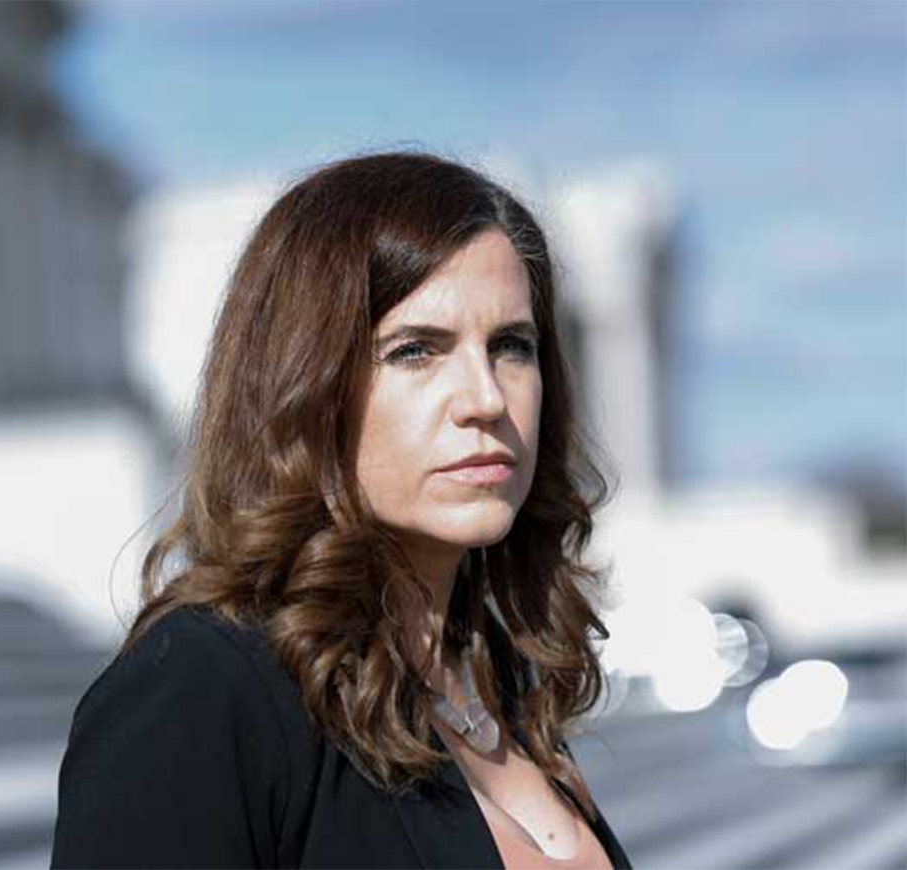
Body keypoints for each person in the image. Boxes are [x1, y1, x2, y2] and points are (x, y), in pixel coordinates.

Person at [52, 152, 631, 869]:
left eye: (512, 346)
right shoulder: (205, 688)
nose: (485, 399)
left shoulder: (499, 683)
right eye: (416, 350)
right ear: (308, 383)